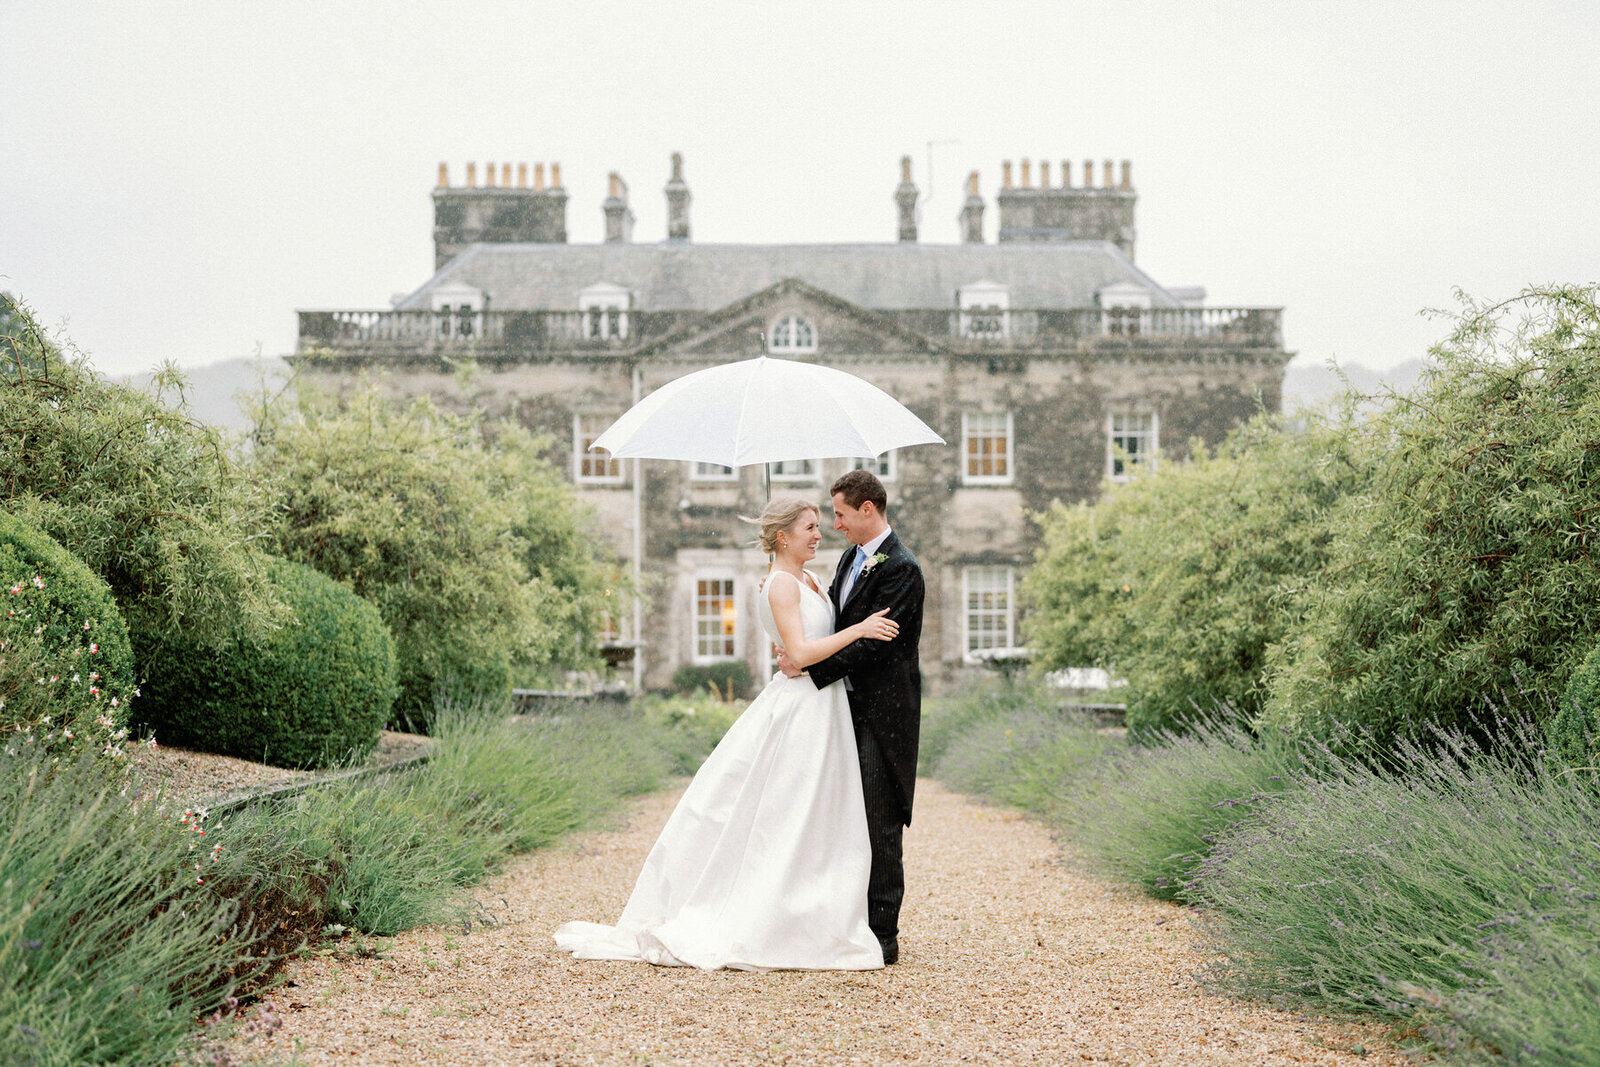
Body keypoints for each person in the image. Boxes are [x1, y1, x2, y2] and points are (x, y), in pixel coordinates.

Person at [552, 496, 899, 971]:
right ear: (783, 537)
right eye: (810, 528)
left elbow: (808, 640)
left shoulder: (813, 579)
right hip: (802, 710)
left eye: (820, 525)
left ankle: (813, 914)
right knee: (787, 814)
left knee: (818, 816)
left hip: (825, 707)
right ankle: (770, 919)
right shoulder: (779, 584)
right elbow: (799, 651)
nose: (820, 534)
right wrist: (859, 629)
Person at [777, 469, 923, 966]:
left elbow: (877, 646)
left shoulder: (902, 568)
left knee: (879, 820)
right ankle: (838, 920)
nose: (834, 524)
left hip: (881, 714)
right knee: (838, 819)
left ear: (867, 510)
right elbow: (837, 620)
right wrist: (783, 585)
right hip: (840, 708)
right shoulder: (848, 559)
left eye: (838, 514)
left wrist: (809, 667)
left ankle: (882, 935)